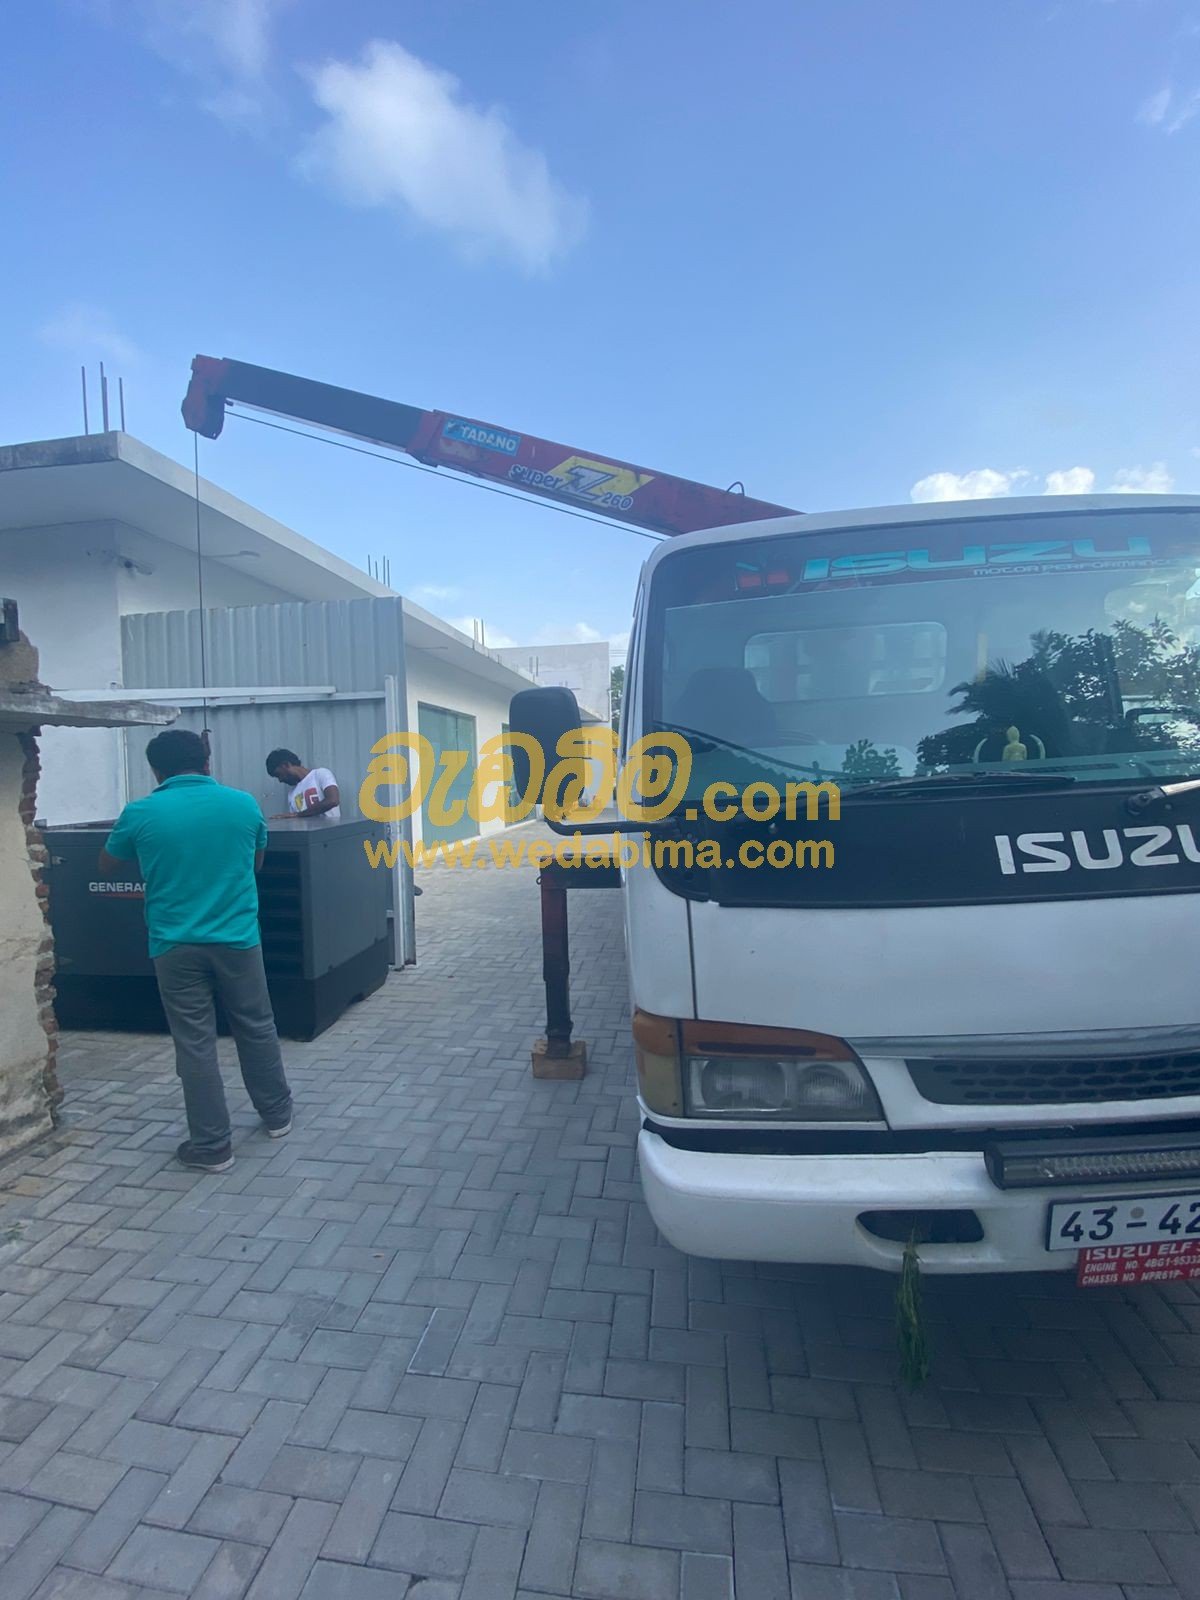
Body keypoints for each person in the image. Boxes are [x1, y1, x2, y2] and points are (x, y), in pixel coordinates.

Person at [98, 729, 293, 1172]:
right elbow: (256, 862)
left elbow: (107, 862)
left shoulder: (140, 812)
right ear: (206, 762)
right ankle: (277, 1115)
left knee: (195, 1042)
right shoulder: (243, 804)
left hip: (174, 944)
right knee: (256, 1026)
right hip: (238, 939)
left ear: (156, 770)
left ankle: (212, 1146)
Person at [265, 748, 341, 820]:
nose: (280, 780)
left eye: (279, 775)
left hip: (331, 829)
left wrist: (298, 815)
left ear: (286, 765)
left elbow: (333, 800)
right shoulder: (291, 794)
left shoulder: (320, 774)